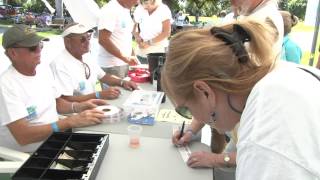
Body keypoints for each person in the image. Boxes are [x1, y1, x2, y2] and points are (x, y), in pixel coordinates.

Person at [163, 19, 320, 179]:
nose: (193, 117)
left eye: (186, 109)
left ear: (204, 92)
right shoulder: (279, 77)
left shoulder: (263, 136)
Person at [0, 24, 107, 152]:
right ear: (13, 53)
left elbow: (57, 102)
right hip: (32, 154)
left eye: (40, 45)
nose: (39, 51)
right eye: (33, 48)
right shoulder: (6, 85)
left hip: (55, 139)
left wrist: (80, 106)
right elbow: (24, 136)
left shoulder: (43, 70)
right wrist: (69, 122)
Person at [51, 23, 138, 102]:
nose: (87, 42)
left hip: (91, 106)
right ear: (68, 41)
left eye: (88, 37)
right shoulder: (59, 64)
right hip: (75, 113)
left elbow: (103, 76)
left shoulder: (85, 55)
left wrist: (122, 82)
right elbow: (65, 100)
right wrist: (98, 95)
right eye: (82, 39)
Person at [97, 0, 139, 78]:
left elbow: (125, 36)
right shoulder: (110, 10)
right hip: (112, 66)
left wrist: (132, 55)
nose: (137, 2)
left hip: (123, 63)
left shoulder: (125, 9)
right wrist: (125, 58)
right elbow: (103, 40)